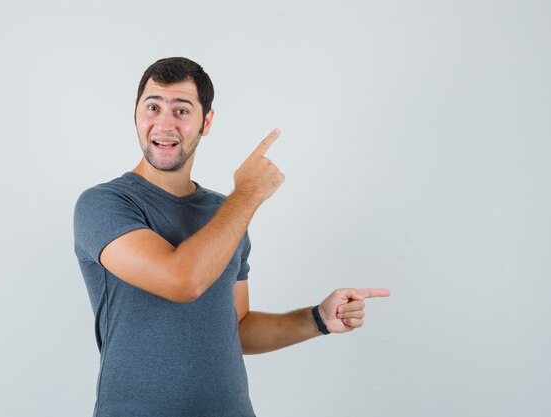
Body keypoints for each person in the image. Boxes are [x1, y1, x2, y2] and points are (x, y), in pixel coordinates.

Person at [74, 57, 390, 417]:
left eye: (181, 110)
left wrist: (317, 318)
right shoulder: (103, 204)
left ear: (206, 122)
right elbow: (182, 280)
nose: (164, 123)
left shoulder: (225, 212)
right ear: (136, 112)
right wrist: (249, 194)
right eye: (153, 107)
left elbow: (236, 326)